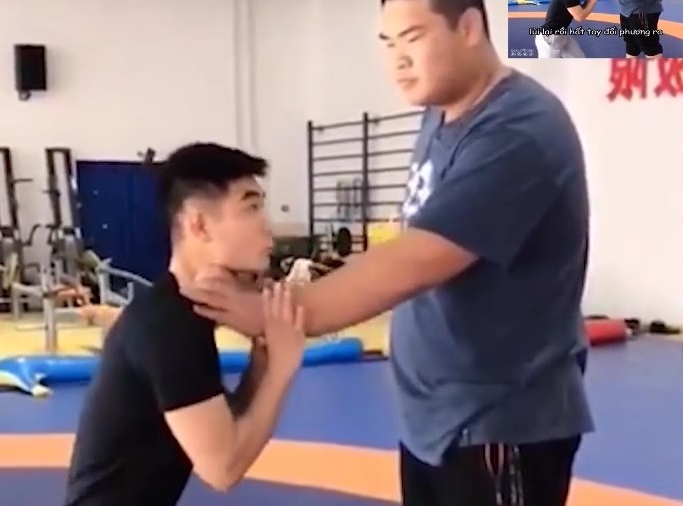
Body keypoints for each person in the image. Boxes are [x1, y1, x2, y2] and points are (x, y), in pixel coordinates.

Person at [181, 1, 593, 505]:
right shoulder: (441, 115)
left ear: (469, 28)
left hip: (498, 423)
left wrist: (272, 312)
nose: (397, 60)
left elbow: (414, 262)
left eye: (413, 38)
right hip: (434, 419)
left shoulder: (517, 132)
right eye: (388, 43)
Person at [64, 143, 306, 505]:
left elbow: (226, 425)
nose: (268, 227)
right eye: (251, 207)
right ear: (199, 225)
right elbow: (223, 468)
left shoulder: (185, 312)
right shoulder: (169, 325)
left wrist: (261, 366)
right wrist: (282, 367)